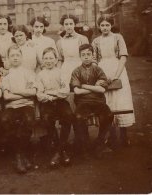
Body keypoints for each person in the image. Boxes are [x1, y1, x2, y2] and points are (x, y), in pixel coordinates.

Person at [92, 15, 135, 146]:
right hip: (102, 70)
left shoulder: (118, 37)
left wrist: (116, 75)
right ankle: (110, 135)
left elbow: (123, 57)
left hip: (118, 70)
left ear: (111, 25)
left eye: (107, 25)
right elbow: (94, 60)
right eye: (102, 25)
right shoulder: (96, 41)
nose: (105, 28)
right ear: (99, 26)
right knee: (107, 102)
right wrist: (100, 75)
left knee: (120, 101)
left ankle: (124, 134)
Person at [70, 44, 114, 158]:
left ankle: (99, 142)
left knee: (108, 115)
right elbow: (77, 92)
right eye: (83, 55)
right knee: (78, 117)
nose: (86, 57)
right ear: (80, 56)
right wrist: (94, 88)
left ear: (92, 55)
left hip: (99, 102)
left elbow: (102, 89)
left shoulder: (98, 70)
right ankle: (84, 144)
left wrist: (84, 85)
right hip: (83, 102)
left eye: (88, 54)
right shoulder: (76, 71)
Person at [36, 47, 73, 168]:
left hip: (61, 102)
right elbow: (40, 95)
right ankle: (61, 150)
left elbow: (65, 90)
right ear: (42, 60)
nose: (48, 61)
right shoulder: (40, 74)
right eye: (46, 58)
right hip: (47, 103)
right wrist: (51, 96)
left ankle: (58, 151)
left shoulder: (62, 72)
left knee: (68, 115)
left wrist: (51, 94)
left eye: (51, 58)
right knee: (46, 118)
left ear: (56, 59)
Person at [2, 45, 36, 174]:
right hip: (11, 105)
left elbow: (32, 92)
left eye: (17, 55)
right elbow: (6, 96)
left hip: (26, 104)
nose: (15, 58)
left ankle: (21, 155)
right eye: (12, 56)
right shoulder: (6, 74)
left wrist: (15, 91)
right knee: (5, 120)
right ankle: (19, 155)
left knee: (27, 120)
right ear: (8, 58)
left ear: (21, 57)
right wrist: (23, 92)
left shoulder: (28, 72)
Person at [57, 14, 89, 92]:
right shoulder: (59, 42)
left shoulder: (82, 38)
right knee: (67, 91)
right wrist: (58, 73)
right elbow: (60, 60)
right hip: (65, 69)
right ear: (63, 26)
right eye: (66, 24)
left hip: (80, 68)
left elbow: (87, 57)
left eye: (71, 24)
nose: (69, 26)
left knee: (80, 90)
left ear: (74, 24)